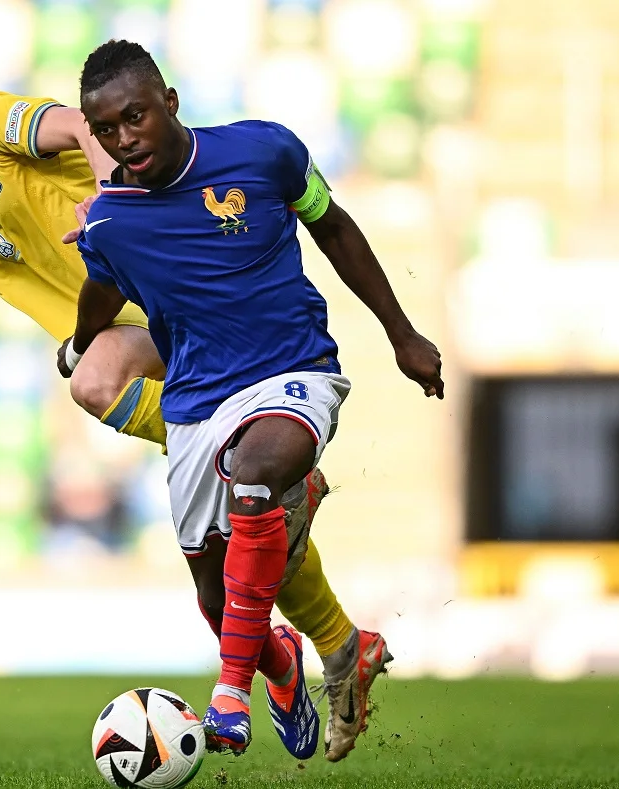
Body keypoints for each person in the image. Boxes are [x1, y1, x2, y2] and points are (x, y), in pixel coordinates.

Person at [0, 69, 369, 762]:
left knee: (94, 381)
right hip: (148, 345)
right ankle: (312, 650)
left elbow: (80, 124)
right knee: (221, 567)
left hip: (194, 314)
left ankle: (269, 511)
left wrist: (111, 200)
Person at [62, 40, 445, 758]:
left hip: (291, 371)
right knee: (217, 598)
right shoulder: (111, 221)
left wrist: (402, 333)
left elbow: (333, 227)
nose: (122, 140)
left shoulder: (265, 153)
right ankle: (289, 664)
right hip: (195, 403)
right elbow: (101, 291)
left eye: (133, 117)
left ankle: (229, 694)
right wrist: (78, 342)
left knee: (257, 478)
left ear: (169, 102)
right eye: (105, 130)